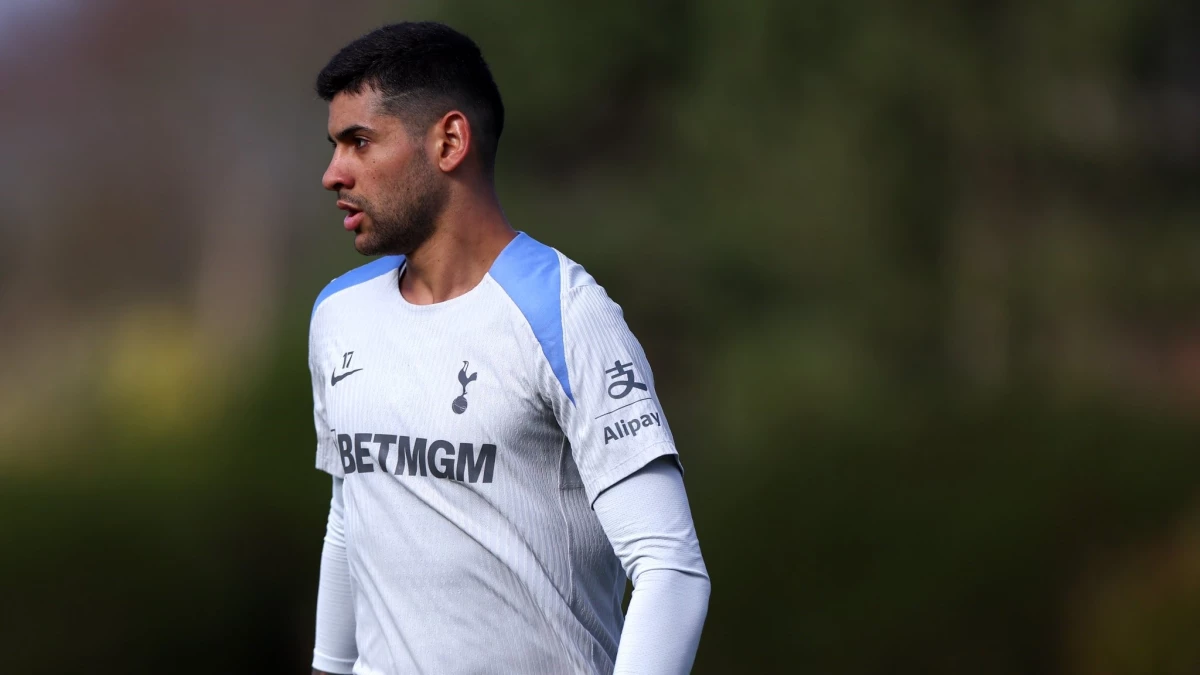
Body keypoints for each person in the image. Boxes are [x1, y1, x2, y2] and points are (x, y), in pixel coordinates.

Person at [308, 22, 709, 675]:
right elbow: (350, 517)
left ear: (450, 141)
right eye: (333, 145)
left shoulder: (566, 312)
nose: (332, 173)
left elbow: (670, 566)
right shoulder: (338, 315)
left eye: (359, 141)